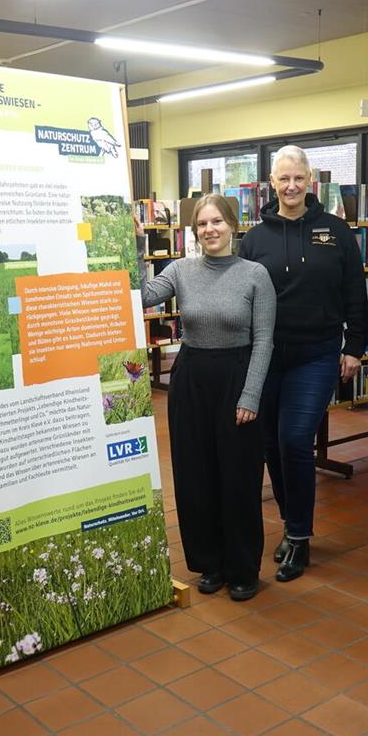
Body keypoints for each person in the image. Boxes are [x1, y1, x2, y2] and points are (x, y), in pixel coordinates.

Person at [239, 145, 368, 582]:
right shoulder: (255, 239)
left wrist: (354, 346)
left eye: (298, 178)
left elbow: (355, 291)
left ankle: (299, 536)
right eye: (283, 179)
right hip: (267, 354)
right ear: (271, 184)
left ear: (310, 181)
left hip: (316, 353)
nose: (291, 186)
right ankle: (292, 526)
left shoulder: (335, 230)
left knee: (296, 439)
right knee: (271, 445)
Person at [141, 194, 276, 600]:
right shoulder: (180, 270)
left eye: (217, 222)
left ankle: (242, 568)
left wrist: (251, 395)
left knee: (237, 477)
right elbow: (143, 296)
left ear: (233, 225)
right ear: (194, 231)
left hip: (237, 377)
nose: (210, 230)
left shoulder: (255, 275)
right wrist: (121, 249)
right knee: (195, 475)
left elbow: (265, 340)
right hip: (191, 379)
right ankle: (210, 562)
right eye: (202, 224)